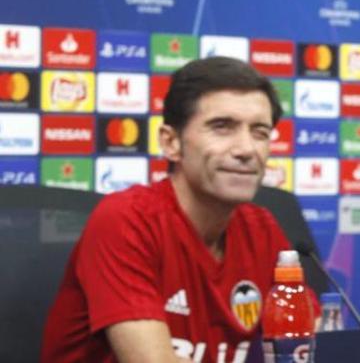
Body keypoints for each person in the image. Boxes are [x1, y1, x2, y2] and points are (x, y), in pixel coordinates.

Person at [42, 57, 293, 363]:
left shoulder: (262, 228)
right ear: (171, 142)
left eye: (260, 132)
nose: (246, 149)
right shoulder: (126, 220)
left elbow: (311, 347)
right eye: (222, 127)